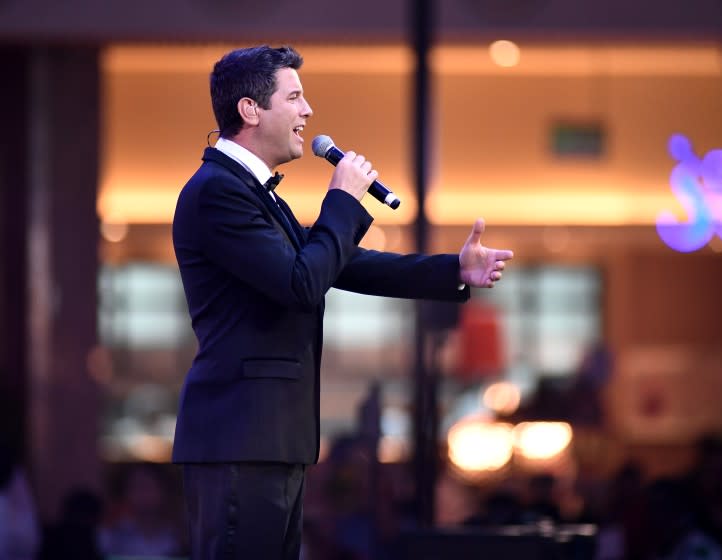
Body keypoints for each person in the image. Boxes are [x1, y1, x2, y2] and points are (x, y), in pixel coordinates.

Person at [171, 44, 514, 560]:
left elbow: (338, 262)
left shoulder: (254, 193)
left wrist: (453, 269)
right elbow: (301, 282)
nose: (308, 112)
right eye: (295, 97)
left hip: (269, 440)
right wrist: (343, 199)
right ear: (250, 110)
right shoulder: (218, 191)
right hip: (240, 439)